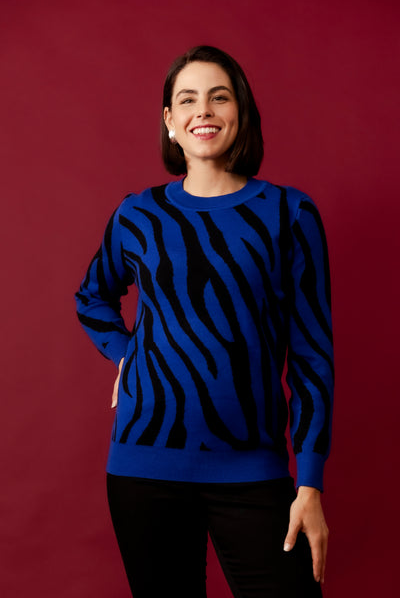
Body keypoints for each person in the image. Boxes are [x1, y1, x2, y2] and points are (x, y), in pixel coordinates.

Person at [75, 45, 334, 598]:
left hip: (253, 469)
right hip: (143, 466)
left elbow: (313, 357)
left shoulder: (289, 213)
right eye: (188, 99)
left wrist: (309, 481)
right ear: (170, 121)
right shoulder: (137, 214)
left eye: (220, 97)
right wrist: (127, 353)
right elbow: (92, 297)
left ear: (241, 111)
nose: (204, 111)